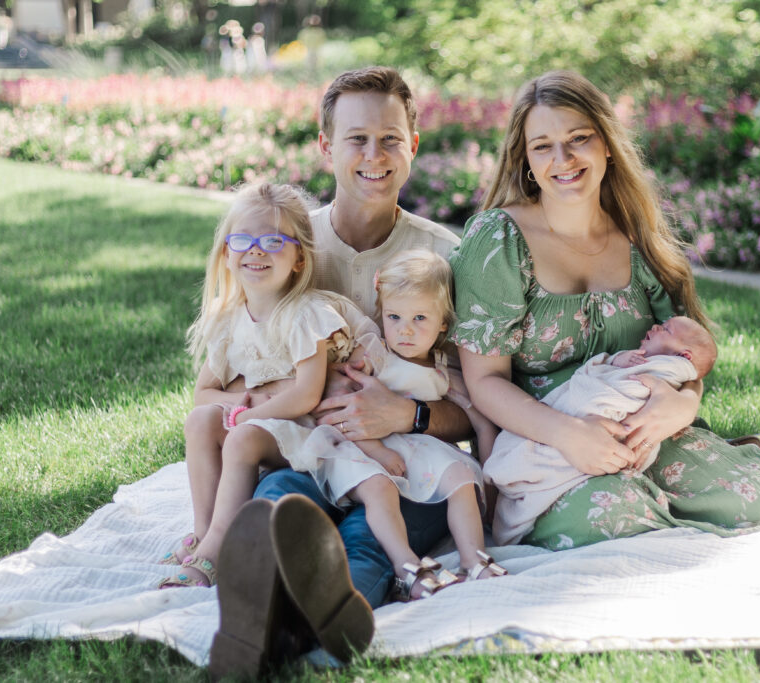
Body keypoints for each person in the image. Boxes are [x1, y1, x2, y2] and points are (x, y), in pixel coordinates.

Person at [450, 70, 760, 553]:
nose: (564, 159)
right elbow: (484, 381)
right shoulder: (498, 240)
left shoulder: (636, 235)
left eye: (579, 139)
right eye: (543, 146)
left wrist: (683, 404)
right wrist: (570, 435)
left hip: (647, 432)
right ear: (526, 161)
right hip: (547, 444)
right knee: (620, 523)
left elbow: (685, 349)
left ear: (607, 144)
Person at [208, 67, 471, 679]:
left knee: (372, 529)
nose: (374, 156)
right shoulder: (289, 250)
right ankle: (270, 608)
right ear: (326, 146)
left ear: (413, 144)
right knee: (278, 501)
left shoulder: (446, 258)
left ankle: (304, 620)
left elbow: (475, 395)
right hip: (309, 451)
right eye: (356, 139)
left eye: (390, 138)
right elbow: (229, 372)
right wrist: (290, 393)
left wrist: (410, 414)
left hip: (409, 458)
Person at [157, 181, 378, 589]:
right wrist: (246, 402)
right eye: (242, 239)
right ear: (226, 252)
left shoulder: (306, 313)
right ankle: (204, 532)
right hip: (265, 423)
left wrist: (248, 415)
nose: (255, 250)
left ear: (298, 258)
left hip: (310, 433)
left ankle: (219, 547)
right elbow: (203, 393)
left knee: (240, 437)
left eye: (273, 241)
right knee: (200, 421)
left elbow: (307, 394)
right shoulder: (229, 320)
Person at [312, 249, 505, 599]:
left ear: (443, 322)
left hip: (416, 447)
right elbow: (341, 411)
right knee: (380, 489)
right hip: (364, 448)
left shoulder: (445, 368)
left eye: (420, 318)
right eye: (394, 316)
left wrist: (489, 487)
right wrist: (379, 453)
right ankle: (405, 566)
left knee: (461, 476)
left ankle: (474, 559)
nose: (405, 330)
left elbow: (482, 421)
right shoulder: (373, 356)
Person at [485, 316, 718, 545]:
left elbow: (694, 367)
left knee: (734, 497)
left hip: (659, 433)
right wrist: (616, 362)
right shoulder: (642, 361)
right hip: (548, 425)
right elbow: (485, 379)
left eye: (665, 329)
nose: (656, 326)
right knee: (617, 518)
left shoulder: (666, 362)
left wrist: (686, 402)